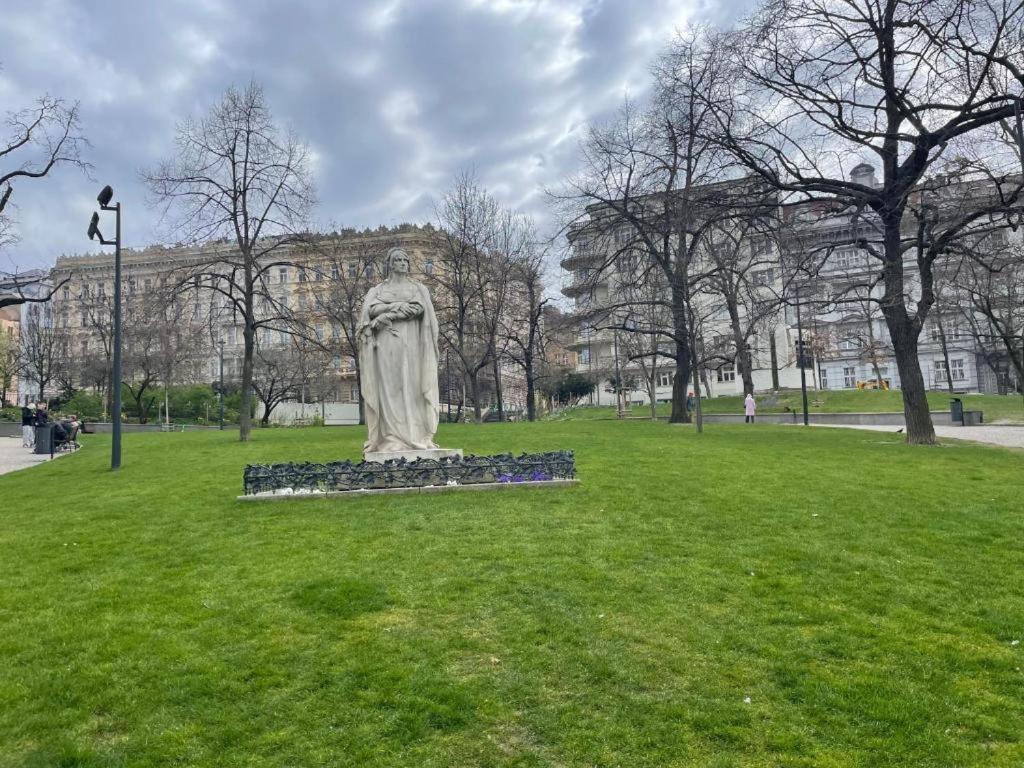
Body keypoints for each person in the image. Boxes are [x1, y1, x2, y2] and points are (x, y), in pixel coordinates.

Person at [358, 247, 441, 454]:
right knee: (390, 387)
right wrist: (395, 309)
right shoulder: (377, 291)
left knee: (412, 386)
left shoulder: (418, 288)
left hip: (413, 344)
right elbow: (370, 310)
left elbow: (420, 309)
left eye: (405, 260)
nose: (403, 263)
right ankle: (392, 437)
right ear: (390, 264)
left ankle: (416, 434)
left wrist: (387, 313)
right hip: (386, 345)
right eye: (398, 260)